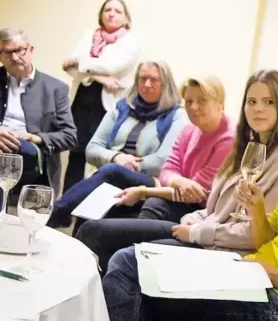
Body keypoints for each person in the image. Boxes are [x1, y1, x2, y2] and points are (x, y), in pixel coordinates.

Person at [102, 81, 278, 321]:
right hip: (250, 274)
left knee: (142, 285)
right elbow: (264, 241)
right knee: (128, 263)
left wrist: (275, 275)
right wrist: (256, 207)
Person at [77, 69, 278, 271]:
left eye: (269, 102)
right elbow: (175, 174)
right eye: (252, 101)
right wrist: (193, 219)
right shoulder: (248, 145)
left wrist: (197, 230)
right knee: (97, 229)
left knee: (116, 247)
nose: (258, 109)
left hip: (221, 248)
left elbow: (257, 232)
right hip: (203, 228)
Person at [47, 60, 188, 231]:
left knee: (111, 172)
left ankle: (56, 212)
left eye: (153, 79)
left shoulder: (177, 115)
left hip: (150, 181)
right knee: (90, 214)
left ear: (165, 83)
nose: (147, 84)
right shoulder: (122, 108)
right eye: (142, 79)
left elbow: (161, 161)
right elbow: (92, 149)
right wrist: (116, 157)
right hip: (111, 173)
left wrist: (122, 166)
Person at [62, 0, 139, 193]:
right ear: (101, 14)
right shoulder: (89, 35)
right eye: (107, 10)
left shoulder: (131, 41)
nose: (111, 14)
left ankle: (86, 211)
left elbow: (112, 66)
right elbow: (70, 69)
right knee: (76, 156)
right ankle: (63, 210)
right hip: (80, 101)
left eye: (117, 11)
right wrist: (99, 77)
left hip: (108, 107)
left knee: (99, 158)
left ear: (126, 18)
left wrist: (81, 62)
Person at [0, 27, 77, 198]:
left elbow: (70, 136)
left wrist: (36, 137)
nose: (13, 57)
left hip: (31, 153)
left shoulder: (55, 89)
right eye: (6, 52)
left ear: (31, 50)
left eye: (19, 50)